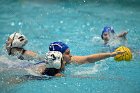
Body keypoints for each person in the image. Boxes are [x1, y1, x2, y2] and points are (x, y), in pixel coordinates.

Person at [35, 41, 125, 77]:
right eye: (67, 53)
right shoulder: (42, 69)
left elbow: (88, 59)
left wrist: (110, 54)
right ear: (59, 56)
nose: (71, 55)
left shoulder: (67, 61)